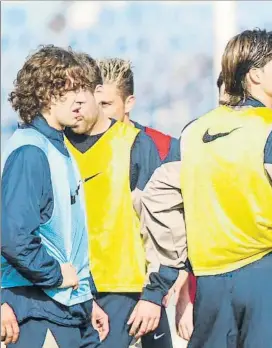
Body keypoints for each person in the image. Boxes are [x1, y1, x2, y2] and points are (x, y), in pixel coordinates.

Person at [139, 28, 272, 347]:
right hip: (270, 273)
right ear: (254, 75)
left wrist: (177, 260)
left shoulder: (194, 132)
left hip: (211, 280)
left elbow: (157, 199)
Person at [62, 51, 180, 348]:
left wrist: (155, 292)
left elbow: (162, 228)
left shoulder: (139, 146)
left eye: (104, 103)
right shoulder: (55, 147)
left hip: (129, 293)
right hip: (72, 292)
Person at [1, 45, 108, 347]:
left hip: (69, 306)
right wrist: (56, 277)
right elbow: (13, 238)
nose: (78, 99)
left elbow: (66, 236)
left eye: (81, 89)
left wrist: (85, 297)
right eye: (67, 89)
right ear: (43, 93)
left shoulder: (57, 148)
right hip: (39, 308)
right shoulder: (31, 151)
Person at [96, 57, 180, 164]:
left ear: (128, 104)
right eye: (93, 105)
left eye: (105, 104)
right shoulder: (73, 149)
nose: (96, 112)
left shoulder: (165, 150)